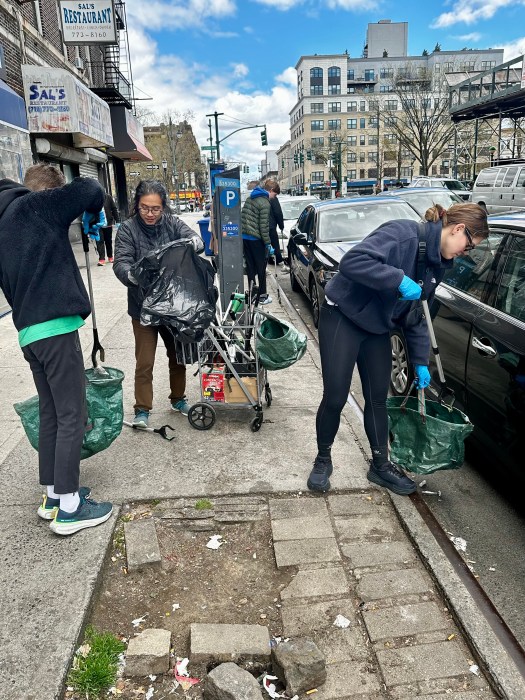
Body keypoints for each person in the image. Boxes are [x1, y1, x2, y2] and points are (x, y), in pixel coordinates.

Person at [307, 202, 489, 495]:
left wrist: (419, 361)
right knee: (336, 395)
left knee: (378, 397)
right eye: (468, 246)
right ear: (457, 229)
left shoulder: (438, 265)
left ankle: (380, 466)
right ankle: (322, 459)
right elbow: (352, 262)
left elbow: (417, 314)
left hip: (377, 327)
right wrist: (398, 279)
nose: (464, 253)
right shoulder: (403, 234)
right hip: (343, 315)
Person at [0, 164, 113, 535]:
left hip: (29, 333)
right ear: (48, 193)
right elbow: (91, 187)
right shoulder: (38, 207)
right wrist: (93, 211)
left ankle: (52, 496)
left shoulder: (5, 223)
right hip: (55, 328)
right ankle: (70, 508)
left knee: (51, 413)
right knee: (71, 415)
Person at [113, 179, 204, 428]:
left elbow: (195, 239)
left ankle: (178, 398)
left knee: (177, 356)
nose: (150, 214)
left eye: (155, 209)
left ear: (163, 207)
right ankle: (142, 408)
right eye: (144, 208)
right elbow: (120, 261)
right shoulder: (128, 229)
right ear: (137, 206)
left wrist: (192, 244)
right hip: (142, 307)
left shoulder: (172, 223)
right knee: (145, 361)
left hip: (173, 304)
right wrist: (132, 274)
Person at [241, 182, 273, 304]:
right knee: (261, 268)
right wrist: (267, 243)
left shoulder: (250, 198)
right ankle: (263, 296)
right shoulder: (264, 203)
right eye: (274, 195)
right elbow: (263, 226)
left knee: (250, 267)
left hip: (245, 238)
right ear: (269, 191)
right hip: (256, 240)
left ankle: (252, 294)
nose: (273, 198)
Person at [267, 180, 288, 272]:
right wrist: (281, 225)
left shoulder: (260, 197)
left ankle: (266, 265)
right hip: (270, 226)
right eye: (275, 194)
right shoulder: (273, 198)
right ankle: (280, 263)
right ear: (271, 190)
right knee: (275, 245)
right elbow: (278, 212)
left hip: (261, 227)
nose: (275, 196)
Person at [97, 191, 120, 266]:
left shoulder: (108, 197)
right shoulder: (94, 199)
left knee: (108, 241)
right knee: (99, 241)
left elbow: (114, 209)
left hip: (108, 223)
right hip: (97, 224)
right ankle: (101, 259)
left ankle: (110, 256)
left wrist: (117, 221)